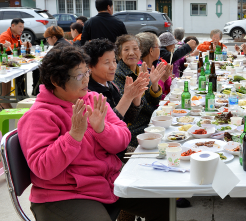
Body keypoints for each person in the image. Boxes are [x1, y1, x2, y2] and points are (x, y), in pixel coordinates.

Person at [17, 46, 169, 221]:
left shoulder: (93, 98)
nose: (86, 80)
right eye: (79, 76)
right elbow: (43, 168)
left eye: (86, 72)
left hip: (106, 183)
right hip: (64, 195)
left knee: (166, 204)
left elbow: (123, 139)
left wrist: (102, 130)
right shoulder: (39, 115)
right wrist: (73, 136)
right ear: (56, 81)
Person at [84, 39, 149, 136]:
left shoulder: (112, 85)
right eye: (107, 63)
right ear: (90, 66)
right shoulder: (88, 93)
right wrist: (127, 98)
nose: (113, 67)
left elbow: (128, 119)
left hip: (123, 136)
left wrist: (136, 97)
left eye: (114, 61)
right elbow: (107, 126)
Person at [114, 34, 166, 147]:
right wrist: (138, 92)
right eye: (126, 49)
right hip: (135, 129)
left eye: (135, 49)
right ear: (119, 54)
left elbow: (154, 100)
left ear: (140, 52)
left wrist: (155, 84)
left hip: (149, 122)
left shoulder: (139, 70)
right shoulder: (118, 76)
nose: (131, 53)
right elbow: (128, 112)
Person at [136, 32, 174, 97]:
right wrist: (162, 80)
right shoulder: (140, 69)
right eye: (158, 47)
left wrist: (167, 78)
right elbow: (152, 98)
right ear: (151, 51)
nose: (160, 50)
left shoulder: (156, 63)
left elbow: (167, 88)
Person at [0, 18, 25, 108]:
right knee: (6, 76)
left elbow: (18, 47)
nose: (22, 29)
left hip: (10, 61)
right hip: (3, 61)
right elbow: (3, 49)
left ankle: (5, 99)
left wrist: (24, 45)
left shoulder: (17, 35)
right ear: (13, 26)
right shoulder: (5, 35)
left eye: (23, 27)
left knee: (10, 77)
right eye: (20, 26)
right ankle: (3, 100)